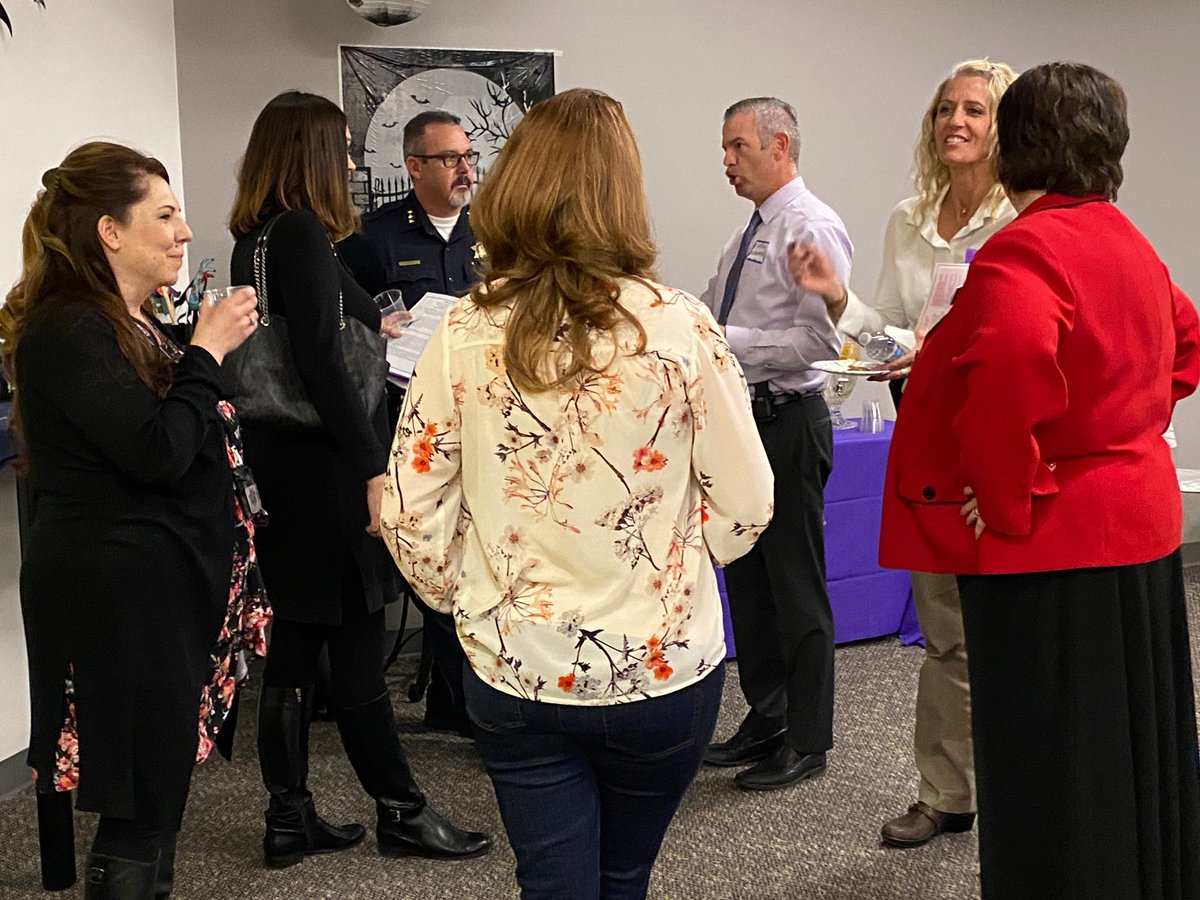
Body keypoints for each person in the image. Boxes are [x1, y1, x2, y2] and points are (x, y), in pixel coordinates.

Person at [380, 88, 774, 900]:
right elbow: (747, 504)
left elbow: (415, 516)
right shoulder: (681, 327)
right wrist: (670, 568)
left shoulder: (463, 330)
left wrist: (469, 595)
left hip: (516, 665)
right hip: (659, 670)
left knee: (552, 885)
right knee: (622, 878)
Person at [879, 62, 1200, 899]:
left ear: (1015, 145)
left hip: (1053, 540)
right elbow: (1187, 341)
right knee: (1128, 745)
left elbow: (1014, 366)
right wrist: (1122, 426)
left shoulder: (1026, 247)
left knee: (1053, 756)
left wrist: (1012, 484)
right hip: (1142, 521)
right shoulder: (1127, 238)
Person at [227, 90, 490, 869]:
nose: (349, 163)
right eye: (339, 149)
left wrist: (372, 322)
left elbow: (321, 325)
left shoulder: (258, 239)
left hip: (284, 462)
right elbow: (318, 362)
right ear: (309, 153)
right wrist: (375, 468)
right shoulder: (305, 234)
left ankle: (292, 815)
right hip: (328, 466)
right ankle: (400, 812)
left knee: (304, 644)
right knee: (351, 637)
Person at [0, 141, 263, 897]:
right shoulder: (69, 329)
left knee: (158, 794)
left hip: (154, 591)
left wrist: (196, 352)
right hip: (117, 600)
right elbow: (158, 451)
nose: (184, 232)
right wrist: (206, 354)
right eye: (166, 214)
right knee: (140, 807)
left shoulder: (129, 322)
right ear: (109, 231)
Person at [788, 59, 1017, 848]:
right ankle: (947, 792)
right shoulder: (907, 216)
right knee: (944, 630)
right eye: (946, 108)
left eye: (976, 111)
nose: (955, 120)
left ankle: (1028, 790)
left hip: (1000, 446)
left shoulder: (1024, 216)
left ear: (1005, 126)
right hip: (928, 444)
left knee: (1017, 634)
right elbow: (889, 332)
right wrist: (831, 293)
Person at [699, 97, 848, 791]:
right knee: (749, 583)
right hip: (743, 422)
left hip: (787, 419)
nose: (726, 161)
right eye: (725, 149)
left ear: (778, 144)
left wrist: (726, 344)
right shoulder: (751, 230)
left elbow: (821, 342)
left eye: (737, 147)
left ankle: (809, 739)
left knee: (794, 586)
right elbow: (710, 310)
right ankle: (768, 715)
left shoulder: (810, 226)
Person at [340, 109, 484, 736]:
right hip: (407, 419)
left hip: (485, 420)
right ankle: (451, 698)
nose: (464, 169)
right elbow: (345, 326)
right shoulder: (374, 238)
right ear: (415, 166)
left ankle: (470, 697)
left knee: (482, 552)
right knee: (435, 550)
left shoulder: (495, 230)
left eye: (468, 156)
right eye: (449, 158)